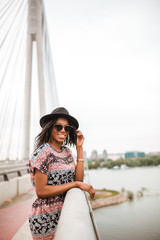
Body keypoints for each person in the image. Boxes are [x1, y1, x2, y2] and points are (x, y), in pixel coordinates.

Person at [28, 107, 95, 239]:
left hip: (65, 212)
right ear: (49, 127)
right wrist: (74, 184)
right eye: (58, 127)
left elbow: (78, 180)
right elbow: (41, 191)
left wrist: (79, 148)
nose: (63, 130)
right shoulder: (44, 152)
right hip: (45, 220)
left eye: (67, 128)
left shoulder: (67, 152)